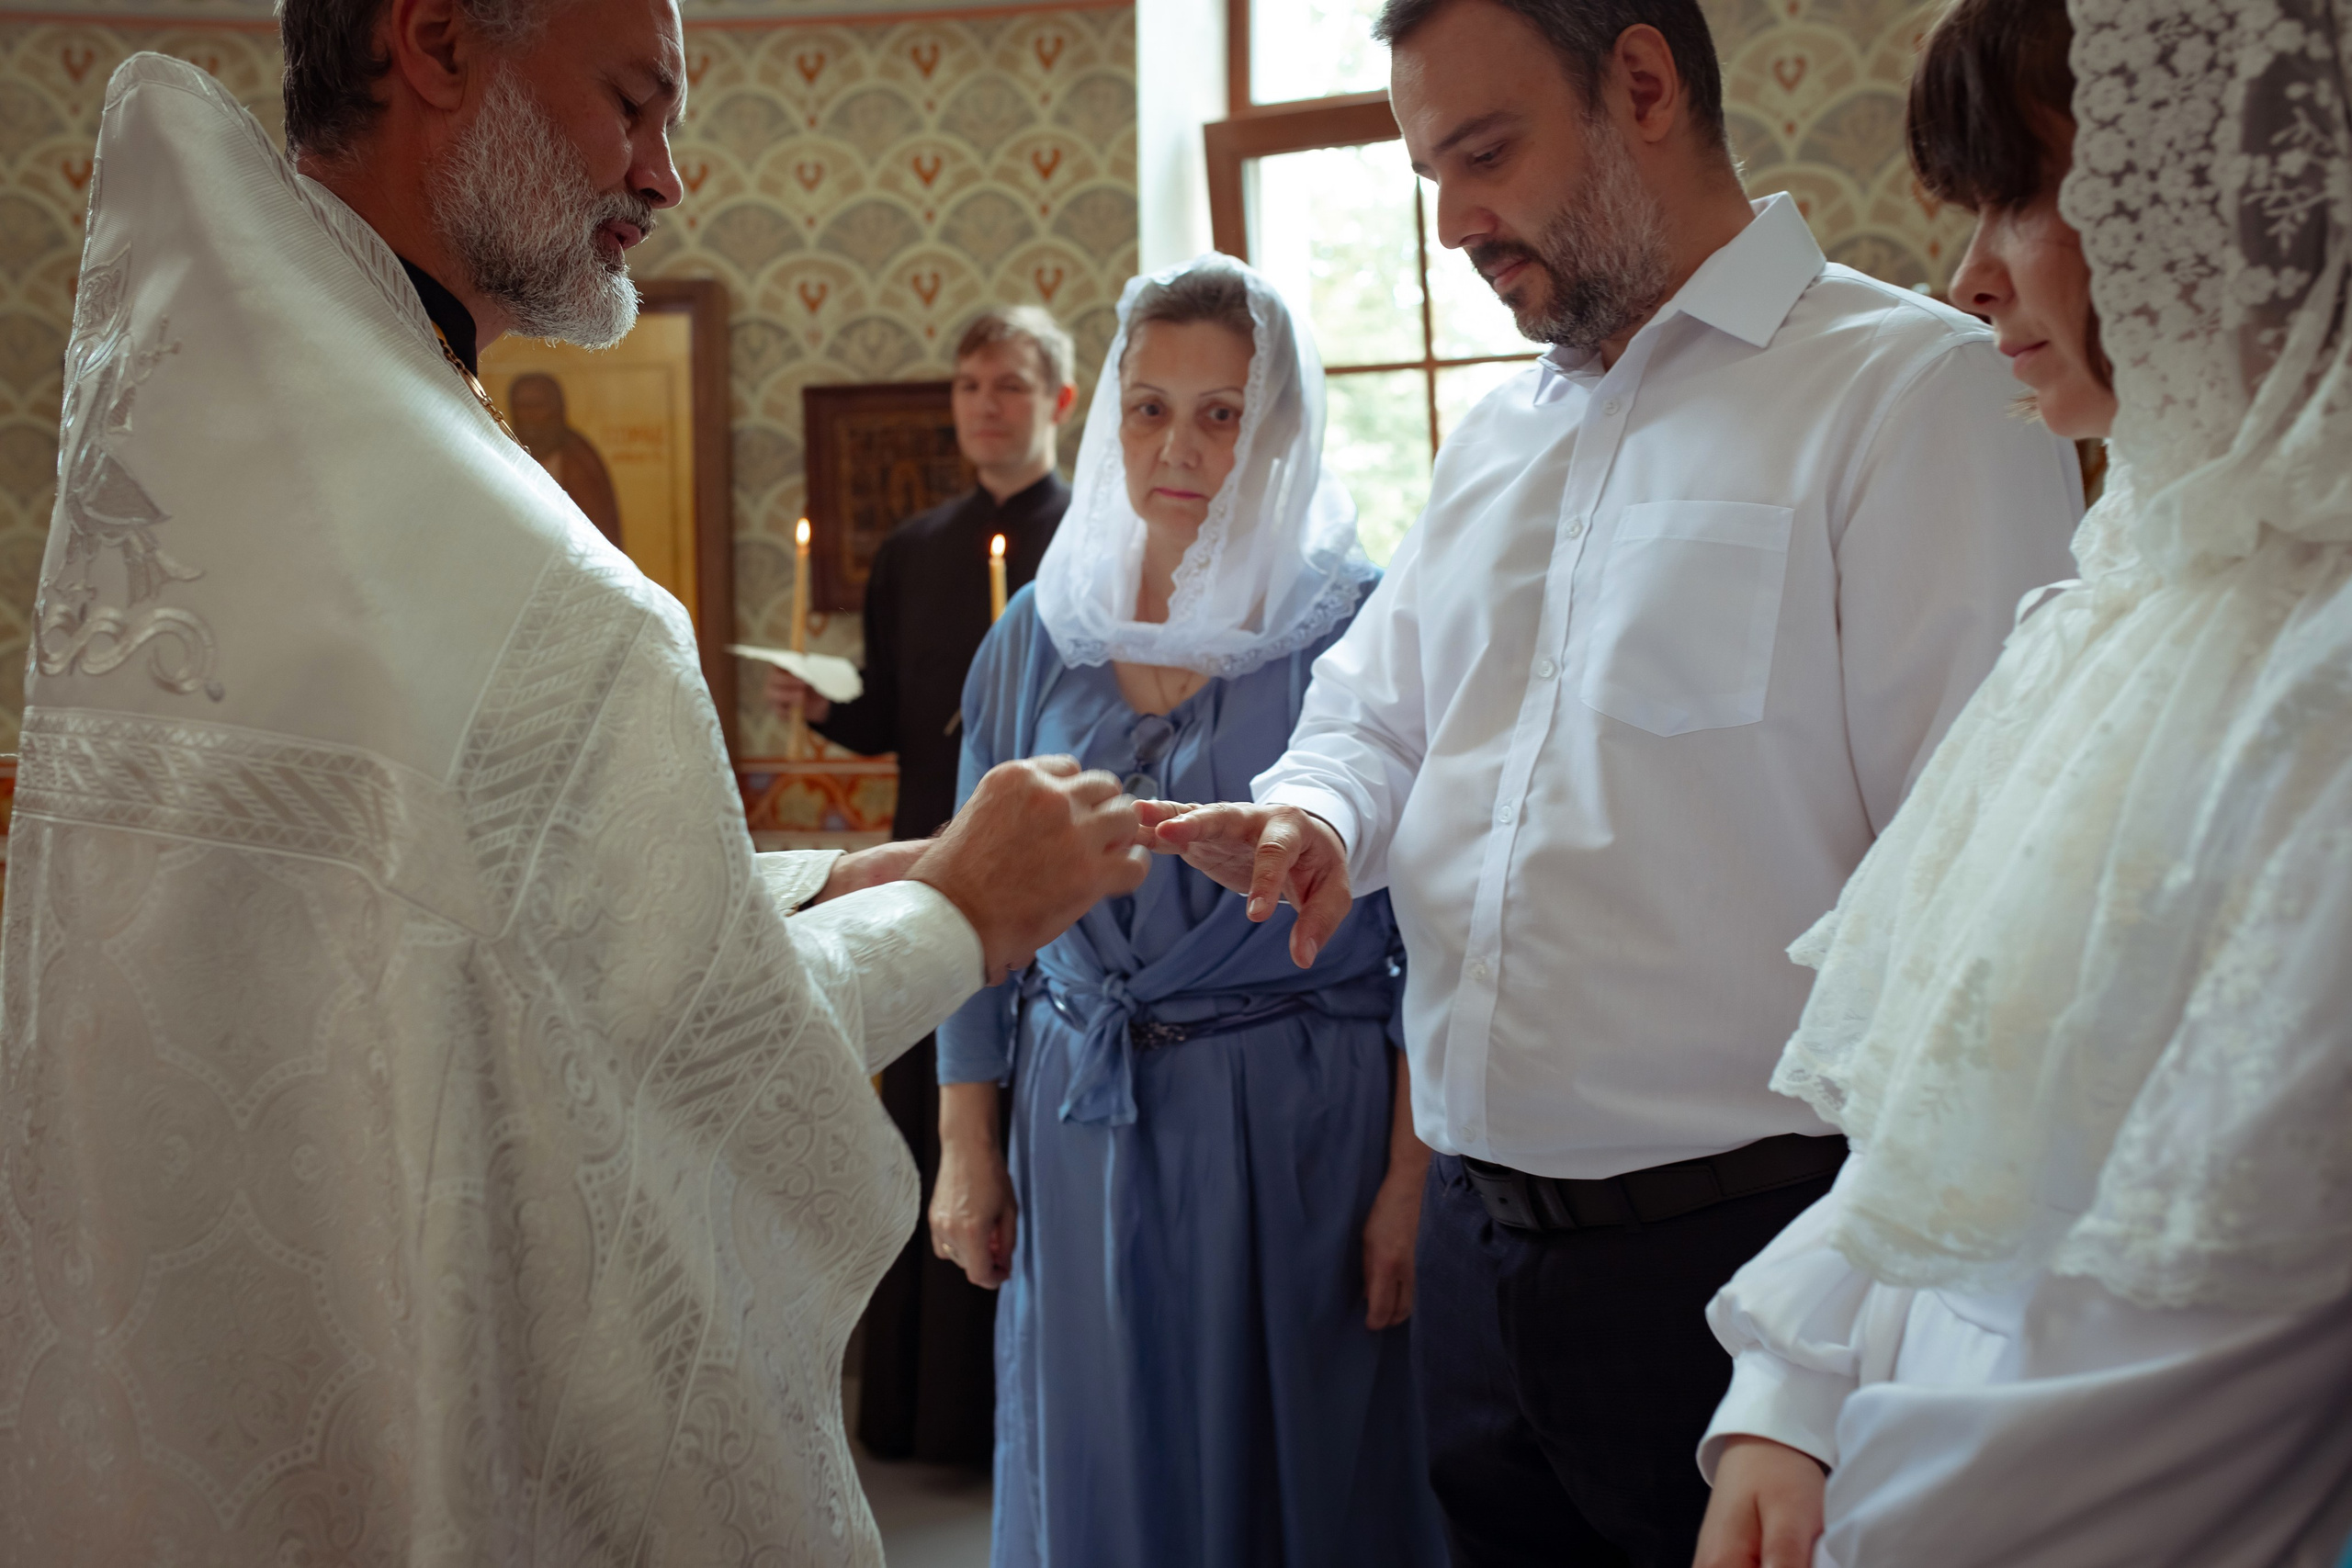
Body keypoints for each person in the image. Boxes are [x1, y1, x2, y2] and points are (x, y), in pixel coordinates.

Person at [0, 2, 1151, 1561]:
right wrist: (965, 907)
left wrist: (817, 880)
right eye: (633, 101)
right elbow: (682, 1079)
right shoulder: (530, 580)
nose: (666, 174)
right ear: (436, 42)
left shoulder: (228, 440)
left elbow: (451, 930)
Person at [1135, 0, 2084, 1562]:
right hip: (1475, 1253)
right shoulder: (1498, 437)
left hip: (1756, 1262)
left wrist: (1828, 1347)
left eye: (1485, 155)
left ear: (1642, 84)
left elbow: (1979, 906)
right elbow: (1377, 710)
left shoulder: (1913, 394)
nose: (1452, 225)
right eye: (1428, 173)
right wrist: (1316, 815)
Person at [1690, 0, 2352, 1562]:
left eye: (2026, 196)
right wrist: (1795, 1380)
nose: (1971, 274)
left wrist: (1881, 1522)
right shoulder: (2125, 601)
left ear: (2230, 192)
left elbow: (2205, 1339)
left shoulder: (2318, 679)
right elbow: (1953, 1118)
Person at [928, 254, 1448, 1567]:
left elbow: (1435, 930)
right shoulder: (1039, 633)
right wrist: (966, 1143)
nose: (1181, 444)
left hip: (1296, 1120)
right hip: (1078, 1113)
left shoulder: (1360, 626)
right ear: (1107, 416)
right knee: (1099, 1455)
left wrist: (1408, 1176)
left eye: (1223, 412)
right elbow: (969, 905)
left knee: (1305, 1468)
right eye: (1150, 405)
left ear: (1279, 427)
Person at [766, 305, 1076, 1465]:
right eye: (968, 387)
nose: (983, 406)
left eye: (1007, 385)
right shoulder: (913, 550)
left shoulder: (1091, 541)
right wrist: (822, 711)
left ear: (1057, 402)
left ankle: (1023, 1418)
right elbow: (900, 720)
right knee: (925, 1136)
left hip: (1049, 887)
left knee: (1024, 1132)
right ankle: (926, 1415)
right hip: (924, 871)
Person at [507, 369, 624, 547]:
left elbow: (599, 529)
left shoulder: (580, 459)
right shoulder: (503, 450)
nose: (529, 414)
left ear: (556, 409)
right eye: (522, 406)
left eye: (538, 405)